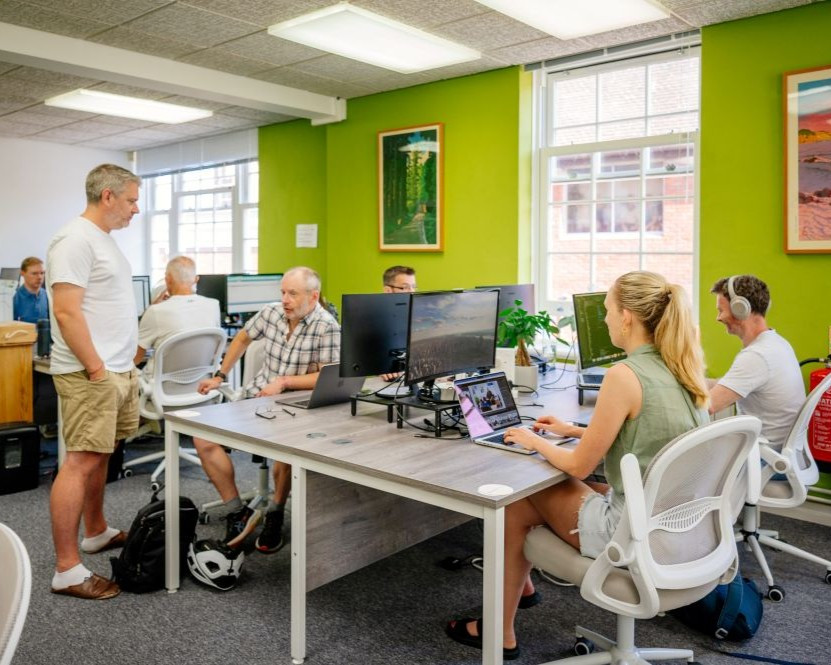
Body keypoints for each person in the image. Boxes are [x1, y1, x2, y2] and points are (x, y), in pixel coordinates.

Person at [444, 271, 709, 660]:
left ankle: (499, 630)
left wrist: (533, 439)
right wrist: (574, 429)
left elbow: (578, 468)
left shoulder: (625, 375)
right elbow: (647, 431)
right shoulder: (683, 366)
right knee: (551, 495)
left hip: (632, 535)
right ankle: (521, 585)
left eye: (606, 311)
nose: (603, 320)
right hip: (681, 527)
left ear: (627, 318)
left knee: (520, 501)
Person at [46, 164, 142, 600]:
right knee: (80, 460)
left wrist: (124, 361)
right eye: (131, 200)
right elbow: (67, 312)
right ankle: (67, 570)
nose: (135, 209)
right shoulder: (73, 240)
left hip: (117, 368)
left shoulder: (104, 242)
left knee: (102, 454)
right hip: (91, 373)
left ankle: (96, 531)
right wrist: (98, 369)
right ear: (108, 196)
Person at [195, 266, 340, 553]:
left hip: (294, 405)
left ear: (313, 296)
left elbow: (327, 375)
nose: (285, 299)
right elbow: (242, 338)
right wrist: (220, 376)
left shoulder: (327, 327)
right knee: (203, 438)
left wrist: (285, 382)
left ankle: (274, 511)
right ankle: (238, 510)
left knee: (284, 456)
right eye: (283, 292)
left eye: (293, 294)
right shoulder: (271, 312)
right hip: (254, 398)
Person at [708, 275, 804, 447]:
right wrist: (686, 381)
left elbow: (708, 406)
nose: (719, 318)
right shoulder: (776, 343)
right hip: (784, 453)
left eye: (720, 310)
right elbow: (728, 384)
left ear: (741, 308)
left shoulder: (757, 356)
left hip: (766, 459)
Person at [133, 255, 221, 377]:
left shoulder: (155, 311)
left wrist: (151, 308)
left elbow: (136, 358)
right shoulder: (213, 305)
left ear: (167, 279)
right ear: (196, 280)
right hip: (202, 388)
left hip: (160, 391)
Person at [13, 256, 48, 323]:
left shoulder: (47, 295)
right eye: (34, 273)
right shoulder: (14, 299)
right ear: (22, 273)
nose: (39, 277)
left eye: (42, 273)